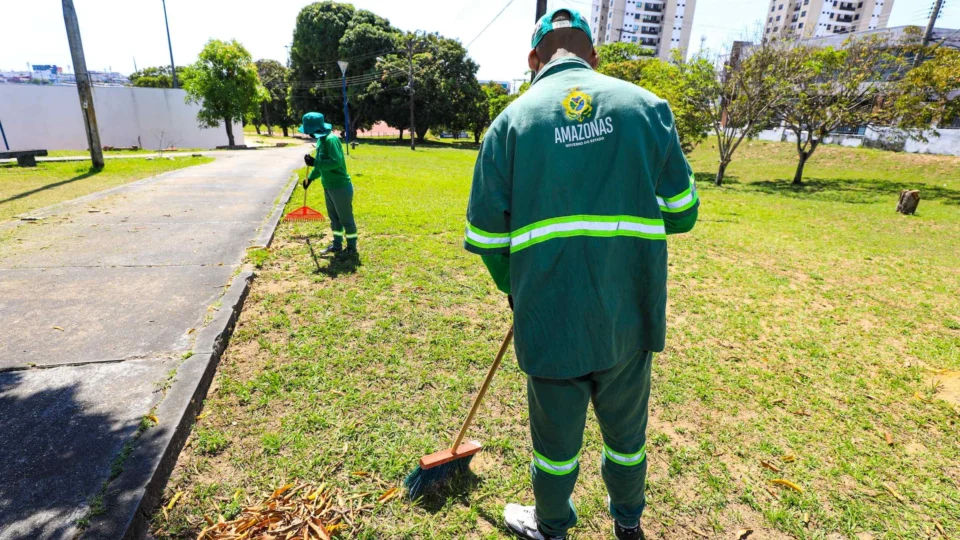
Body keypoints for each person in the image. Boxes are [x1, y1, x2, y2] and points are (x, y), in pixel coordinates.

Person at [463, 8, 699, 540]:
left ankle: (551, 527)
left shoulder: (509, 125)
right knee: (627, 438)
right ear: (594, 56)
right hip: (628, 317)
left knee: (554, 447)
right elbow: (683, 213)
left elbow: (487, 240)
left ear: (533, 59)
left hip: (549, 321)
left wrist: (517, 290)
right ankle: (628, 521)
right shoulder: (648, 109)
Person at [300, 112, 357, 256]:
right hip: (328, 186)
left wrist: (315, 162)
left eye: (309, 131)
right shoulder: (321, 140)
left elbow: (335, 162)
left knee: (346, 219)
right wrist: (310, 179)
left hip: (340, 187)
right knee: (334, 220)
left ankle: (351, 248)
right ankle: (337, 245)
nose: (308, 134)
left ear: (316, 129)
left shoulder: (331, 140)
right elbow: (320, 166)